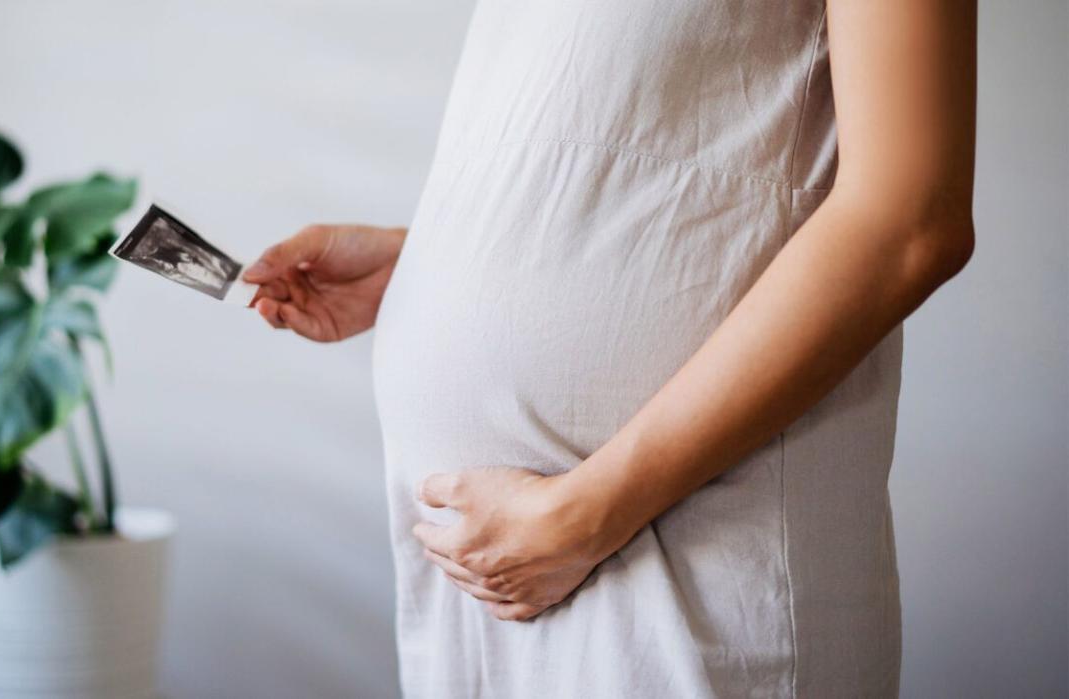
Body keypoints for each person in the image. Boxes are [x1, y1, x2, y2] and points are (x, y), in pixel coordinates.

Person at [243, 1, 976, 696]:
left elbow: (908, 223)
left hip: (685, 558)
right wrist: (429, 265)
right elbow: (632, 156)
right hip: (496, 578)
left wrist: (583, 516)